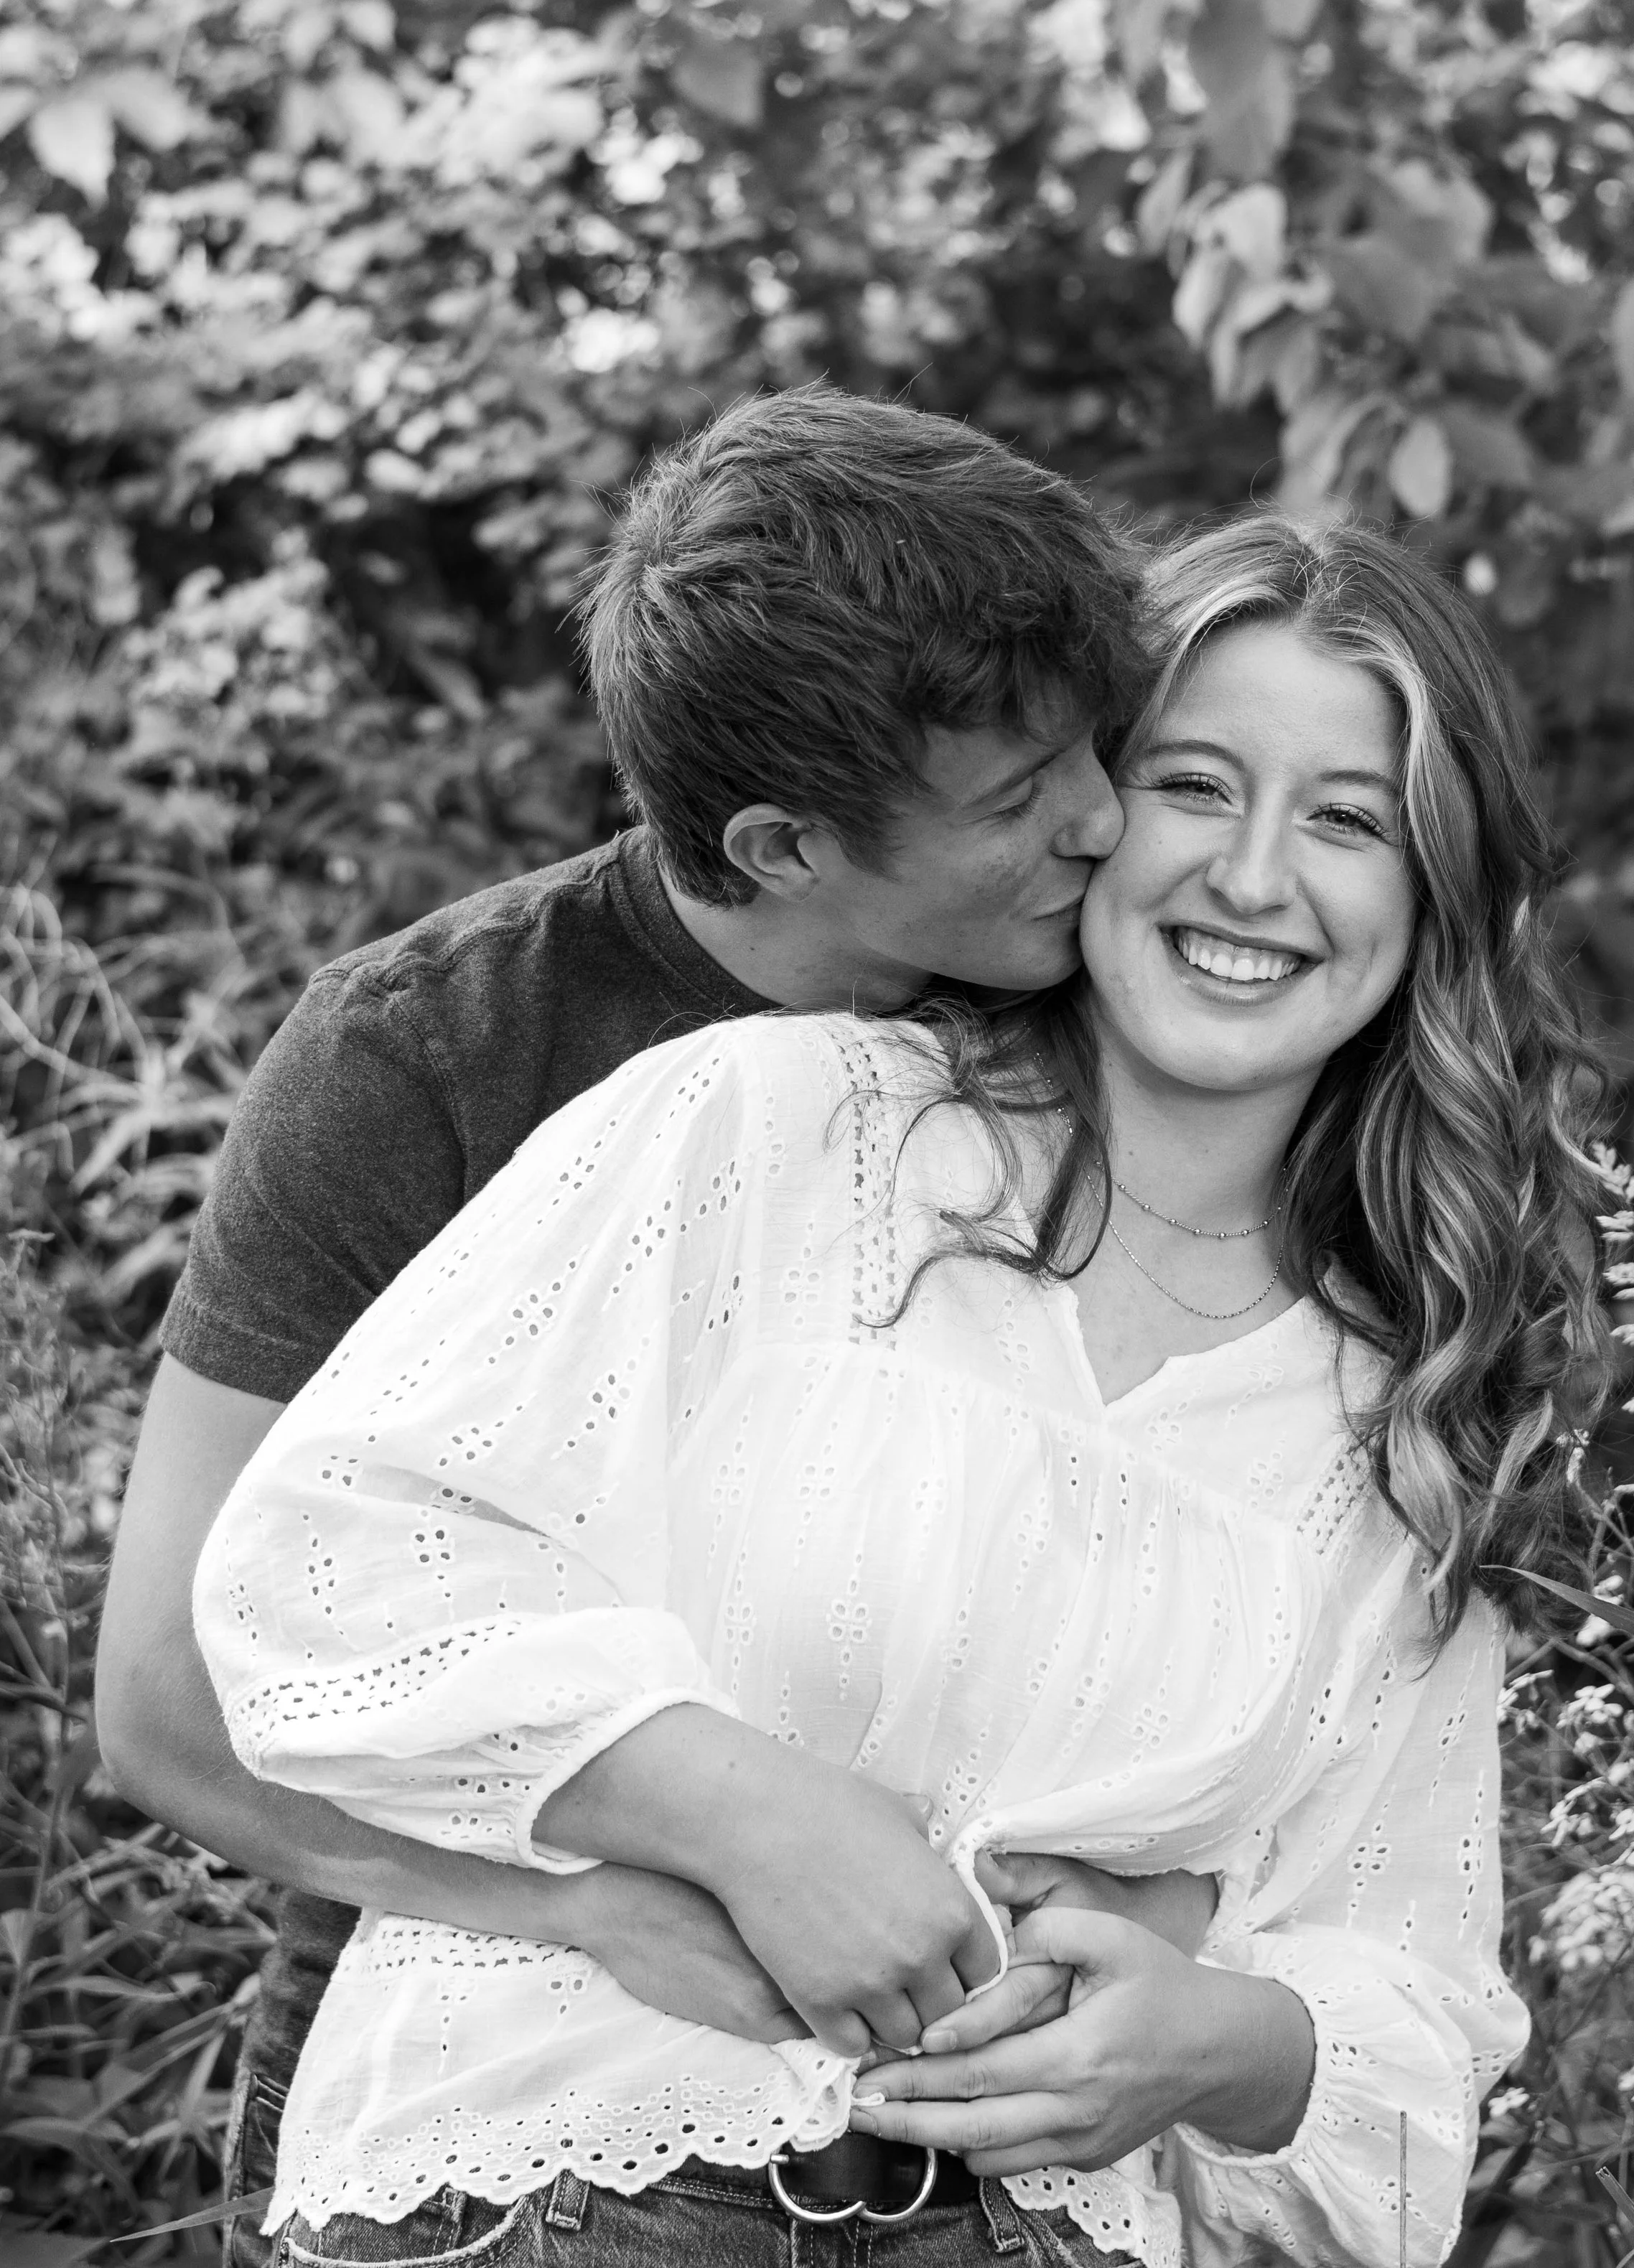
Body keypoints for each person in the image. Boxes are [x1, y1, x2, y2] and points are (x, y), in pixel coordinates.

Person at [189, 512, 1612, 2268]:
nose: (1252, 878)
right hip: (562, 2184)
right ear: (1087, 808)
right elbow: (321, 1565)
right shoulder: (768, 1124)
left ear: (1434, 884)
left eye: (1344, 818)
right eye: (1188, 784)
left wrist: (1232, 2046)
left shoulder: (1404, 1412)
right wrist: (725, 1797)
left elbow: (1413, 2013)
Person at [93, 388, 1147, 2259]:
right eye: (1014, 799)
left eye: (1099, 748)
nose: (1101, 819)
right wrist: (594, 1895)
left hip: (962, 2143)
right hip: (500, 2110)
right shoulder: (433, 1054)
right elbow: (175, 1700)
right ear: (773, 846)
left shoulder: (1100, 1011)